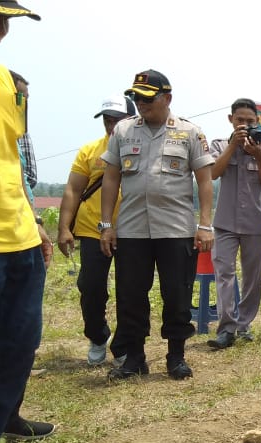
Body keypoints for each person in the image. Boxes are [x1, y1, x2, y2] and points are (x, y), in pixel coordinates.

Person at [99, 69, 215, 381]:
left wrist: (205, 226)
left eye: (147, 98)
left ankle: (176, 356)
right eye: (136, 97)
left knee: (177, 295)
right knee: (130, 295)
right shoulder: (123, 131)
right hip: (132, 229)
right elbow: (110, 179)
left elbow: (205, 182)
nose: (140, 103)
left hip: (176, 229)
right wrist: (106, 224)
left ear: (167, 98)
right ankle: (134, 357)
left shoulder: (190, 132)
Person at [0, 2, 47, 443]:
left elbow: (11, 158)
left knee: (17, 347)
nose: (0, 31)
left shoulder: (5, 80)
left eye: (6, 21)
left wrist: (35, 221)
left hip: (19, 236)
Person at [57, 95, 135, 364]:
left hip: (132, 230)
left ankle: (124, 345)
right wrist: (64, 228)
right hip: (93, 229)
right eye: (107, 120)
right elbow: (73, 190)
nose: (111, 125)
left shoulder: (141, 149)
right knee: (90, 287)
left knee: (130, 290)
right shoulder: (90, 152)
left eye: (117, 120)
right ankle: (98, 336)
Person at [206, 98, 261, 349]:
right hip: (224, 222)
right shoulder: (218, 145)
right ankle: (226, 328)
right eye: (240, 121)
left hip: (255, 222)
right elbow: (212, 173)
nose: (245, 126)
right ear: (230, 120)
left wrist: (257, 157)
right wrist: (232, 146)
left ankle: (244, 324)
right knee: (224, 274)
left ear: (257, 121)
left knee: (252, 278)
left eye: (249, 121)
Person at [8, 70, 34, 191]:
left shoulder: (22, 129)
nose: (24, 104)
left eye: (25, 99)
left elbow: (30, 176)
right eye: (20, 98)